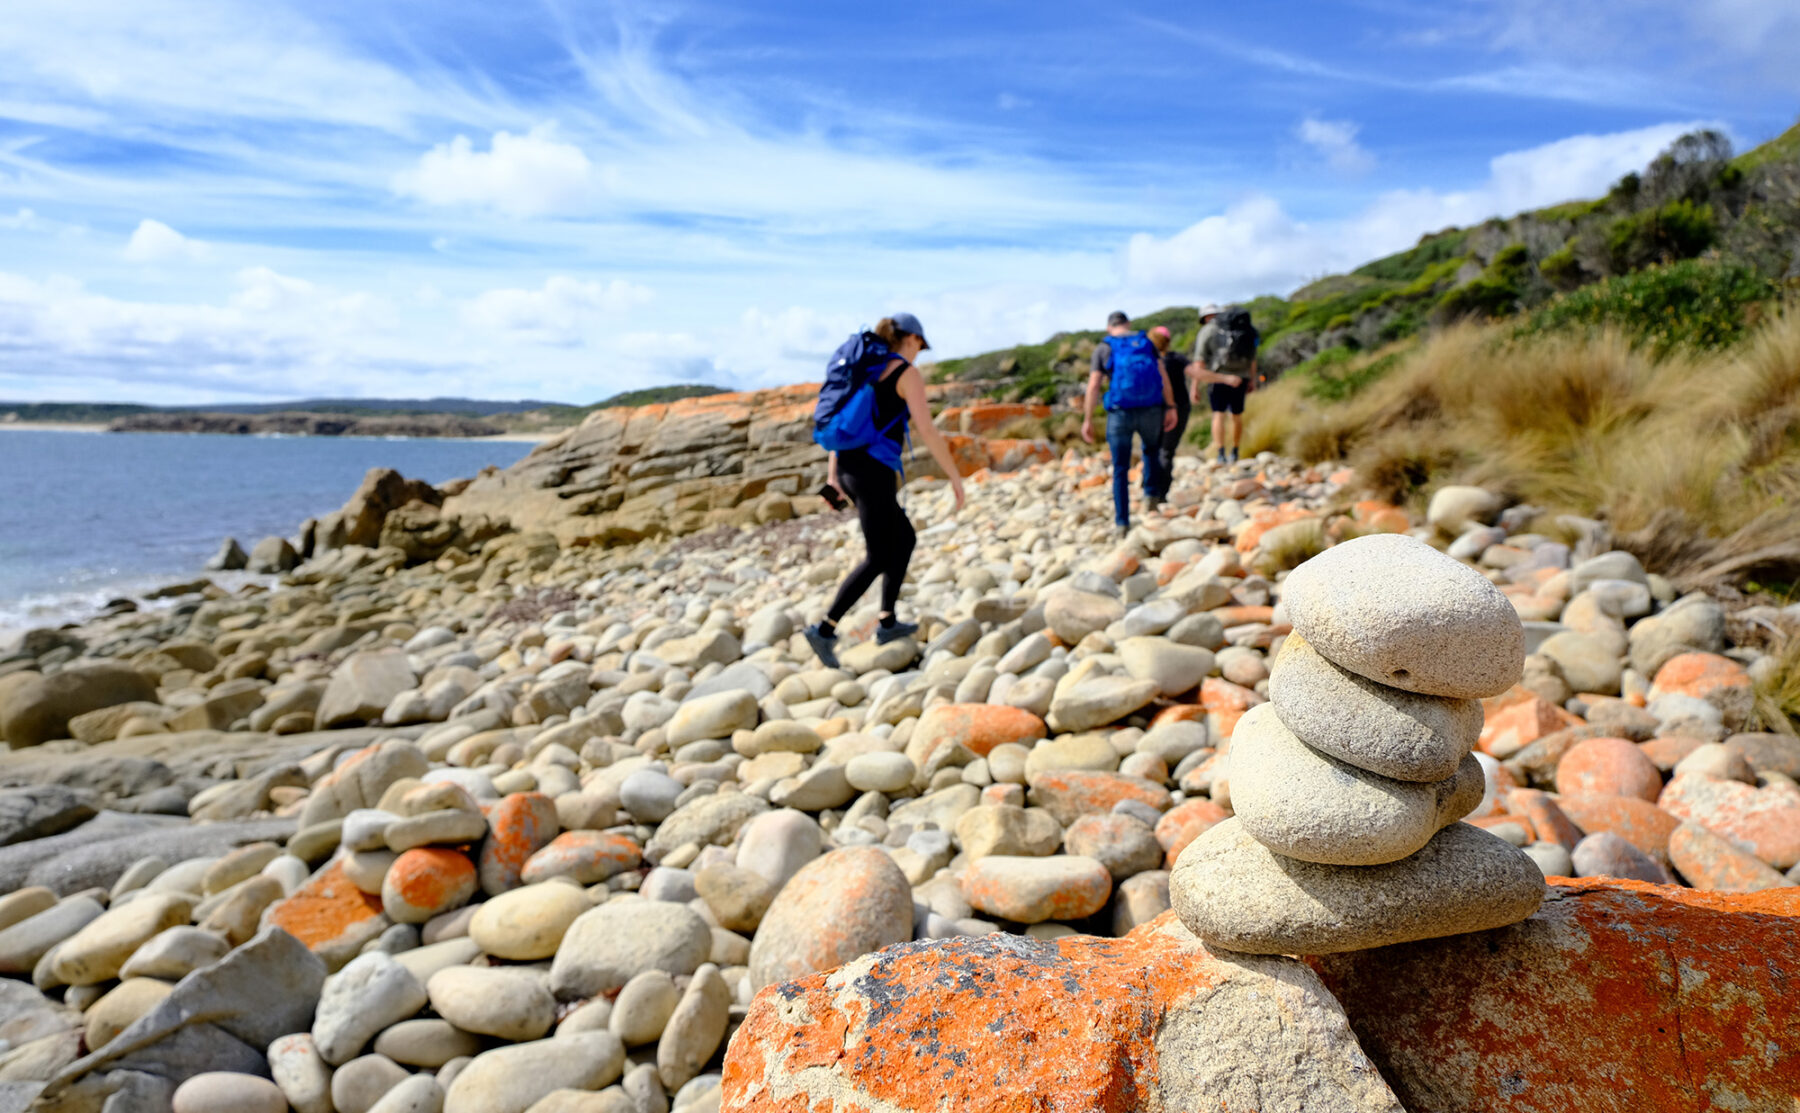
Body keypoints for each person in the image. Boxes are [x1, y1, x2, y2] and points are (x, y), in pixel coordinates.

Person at [804, 312, 966, 669]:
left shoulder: (865, 368)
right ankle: (824, 629)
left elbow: (845, 427)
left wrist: (834, 477)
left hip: (850, 469)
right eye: (920, 345)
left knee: (904, 538)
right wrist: (954, 475)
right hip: (872, 474)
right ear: (910, 339)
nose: (920, 353)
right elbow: (927, 430)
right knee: (878, 555)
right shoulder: (906, 374)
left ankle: (887, 621)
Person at [1082, 311, 1177, 535]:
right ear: (1128, 324)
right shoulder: (1145, 342)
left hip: (1120, 414)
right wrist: (1170, 406)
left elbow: (1094, 384)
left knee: (1120, 468)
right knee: (1151, 451)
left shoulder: (1104, 347)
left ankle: (1122, 522)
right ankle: (1151, 497)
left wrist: (1087, 418)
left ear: (1109, 327)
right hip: (1151, 409)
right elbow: (1163, 376)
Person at [1195, 304, 1258, 465]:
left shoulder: (1208, 331)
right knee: (1236, 416)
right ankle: (1235, 451)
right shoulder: (1244, 329)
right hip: (1241, 377)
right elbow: (1252, 358)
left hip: (1218, 377)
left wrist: (1194, 386)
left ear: (1205, 317)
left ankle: (1221, 452)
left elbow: (1199, 362)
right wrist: (1252, 379)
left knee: (1218, 415)